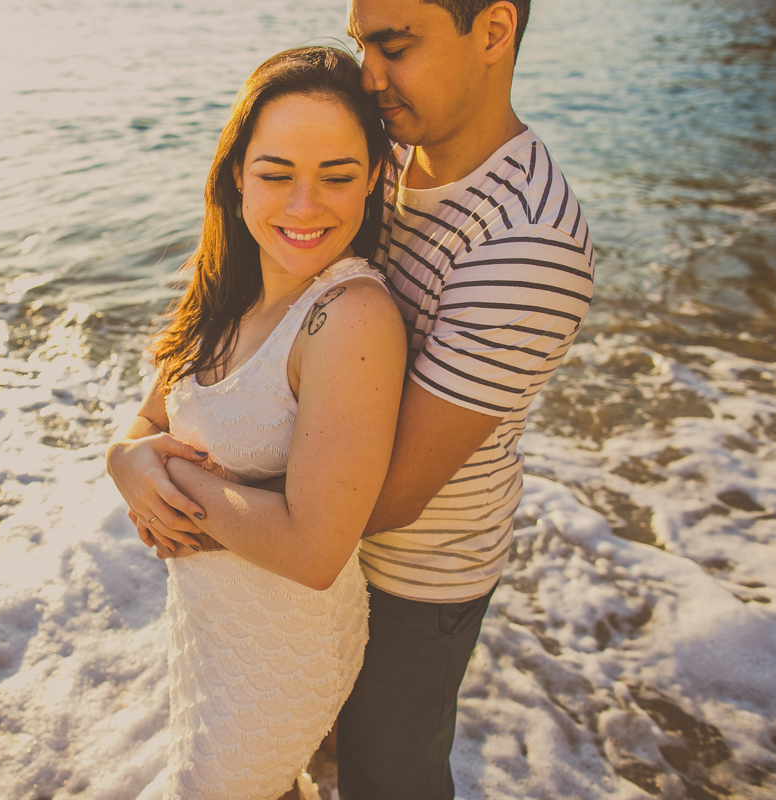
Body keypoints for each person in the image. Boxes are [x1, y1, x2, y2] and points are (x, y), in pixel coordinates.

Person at [112, 1, 596, 798]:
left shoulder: (527, 240)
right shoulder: (384, 149)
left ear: (494, 31)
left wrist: (169, 482)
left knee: (385, 780)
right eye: (360, 44)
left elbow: (381, 500)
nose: (369, 76)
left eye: (394, 46)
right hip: (280, 577)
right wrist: (130, 457)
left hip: (414, 576)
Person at [107, 47, 406, 799]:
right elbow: (146, 419)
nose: (305, 207)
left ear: (374, 177)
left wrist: (166, 482)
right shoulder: (226, 291)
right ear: (238, 173)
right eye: (276, 175)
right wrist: (124, 460)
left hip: (283, 650)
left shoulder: (351, 317)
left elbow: (314, 549)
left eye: (337, 176)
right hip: (211, 626)